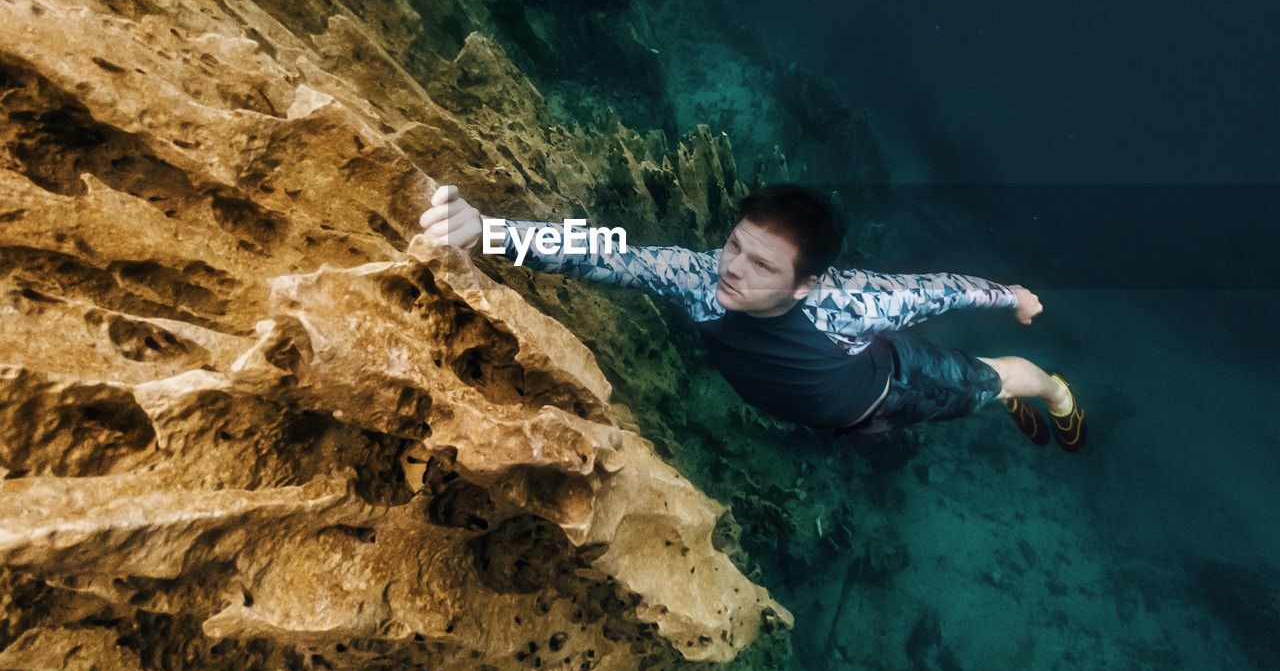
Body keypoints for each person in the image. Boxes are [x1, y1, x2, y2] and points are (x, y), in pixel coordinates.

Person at [419, 183, 1085, 450]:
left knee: (993, 382)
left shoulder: (853, 303)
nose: (732, 268)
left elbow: (941, 289)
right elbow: (605, 253)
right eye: (735, 244)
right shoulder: (701, 279)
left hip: (899, 388)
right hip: (832, 416)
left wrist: (1013, 298)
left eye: (762, 265)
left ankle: (1052, 389)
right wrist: (487, 229)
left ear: (807, 284)